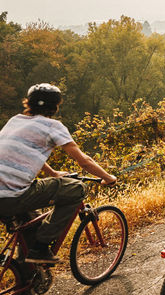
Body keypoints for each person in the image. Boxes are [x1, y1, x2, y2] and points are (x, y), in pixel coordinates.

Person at [0, 83, 117, 264]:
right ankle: (40, 248)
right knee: (77, 188)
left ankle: (26, 280)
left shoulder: (15, 120)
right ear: (55, 106)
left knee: (31, 224)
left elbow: (24, 152)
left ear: (28, 103)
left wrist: (53, 173)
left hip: (5, 196)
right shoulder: (52, 126)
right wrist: (107, 177)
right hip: (13, 196)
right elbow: (84, 161)